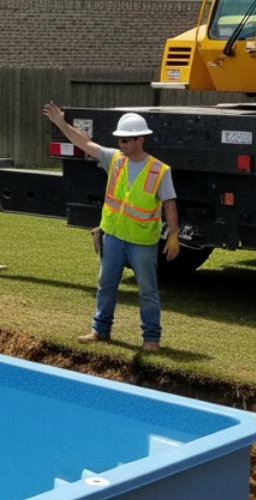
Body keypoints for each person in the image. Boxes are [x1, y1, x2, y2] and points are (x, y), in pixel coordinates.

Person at [42, 103, 180, 352]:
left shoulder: (160, 170)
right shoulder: (115, 160)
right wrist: (60, 123)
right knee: (106, 284)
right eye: (120, 141)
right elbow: (85, 143)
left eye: (127, 141)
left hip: (142, 242)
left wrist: (173, 235)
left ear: (140, 140)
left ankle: (151, 339)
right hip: (113, 236)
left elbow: (169, 203)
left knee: (147, 290)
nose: (122, 145)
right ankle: (100, 330)